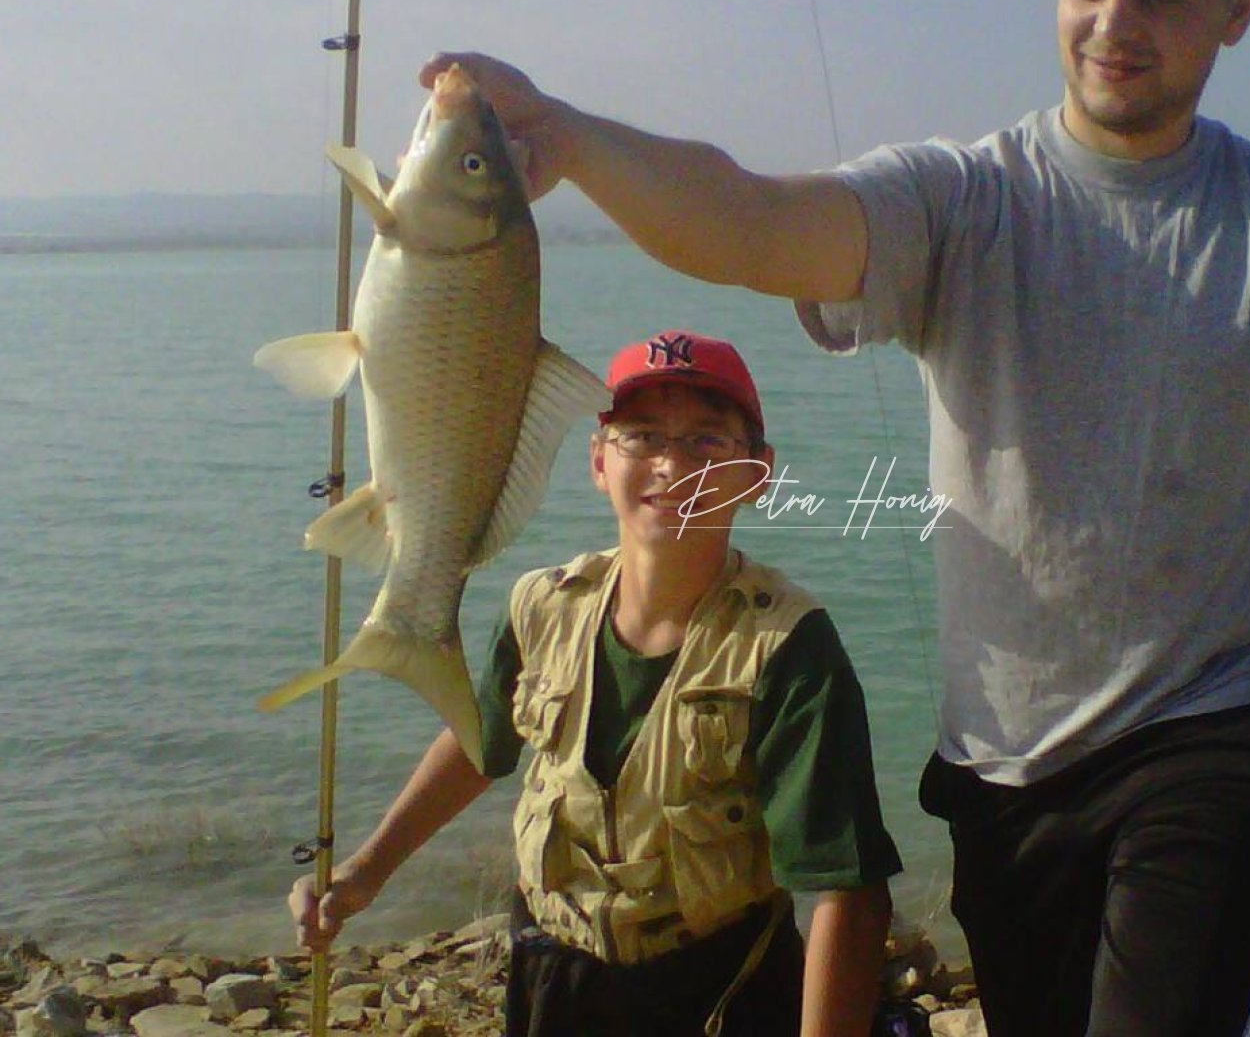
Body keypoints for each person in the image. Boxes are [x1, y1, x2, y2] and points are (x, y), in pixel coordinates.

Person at [420, 0, 1250, 1031]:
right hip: (1005, 769)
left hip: (1221, 728)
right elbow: (750, 220)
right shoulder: (960, 200)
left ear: (1239, 9)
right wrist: (560, 134)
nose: (1116, 22)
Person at [289, 330, 902, 1037]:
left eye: (707, 442)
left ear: (757, 475)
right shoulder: (544, 605)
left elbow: (847, 894)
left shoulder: (787, 647)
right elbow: (479, 744)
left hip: (720, 987)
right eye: (642, 436)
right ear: (599, 463)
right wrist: (366, 872)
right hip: (552, 975)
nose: (672, 466)